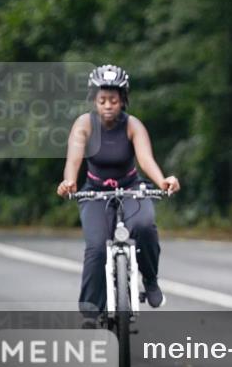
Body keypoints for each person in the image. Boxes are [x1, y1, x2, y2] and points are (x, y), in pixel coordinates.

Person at [56, 65, 180, 323]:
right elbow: (73, 160)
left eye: (114, 100)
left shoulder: (132, 125)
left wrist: (163, 180)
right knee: (97, 248)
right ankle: (91, 310)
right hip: (95, 192)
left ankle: (151, 280)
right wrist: (69, 182)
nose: (108, 105)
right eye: (102, 100)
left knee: (145, 226)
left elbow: (145, 159)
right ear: (94, 100)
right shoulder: (84, 125)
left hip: (131, 188)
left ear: (123, 100)